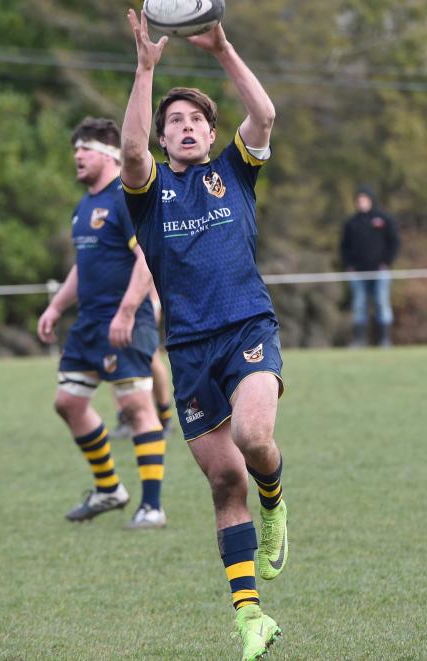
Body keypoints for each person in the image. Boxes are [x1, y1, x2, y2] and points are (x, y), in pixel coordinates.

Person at [120, 11, 288, 659]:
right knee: (223, 482)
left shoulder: (234, 172)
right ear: (164, 140)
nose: (185, 127)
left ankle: (274, 498)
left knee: (253, 438)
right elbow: (130, 153)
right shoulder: (150, 190)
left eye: (196, 121)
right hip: (188, 350)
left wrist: (221, 50)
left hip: (247, 327)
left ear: (212, 134)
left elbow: (266, 115)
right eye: (175, 123)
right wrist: (145, 70)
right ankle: (250, 617)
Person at [37, 116, 167, 529]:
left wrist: (127, 311)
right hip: (90, 324)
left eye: (86, 148)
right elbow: (84, 265)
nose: (77, 155)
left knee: (136, 407)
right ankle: (110, 488)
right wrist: (56, 307)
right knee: (68, 403)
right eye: (76, 148)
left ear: (110, 155)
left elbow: (148, 256)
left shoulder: (124, 199)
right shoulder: (85, 205)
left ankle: (152, 507)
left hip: (124, 321)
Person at [111, 283, 174, 439]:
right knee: (115, 362)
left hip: (141, 308)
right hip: (112, 307)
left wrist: (155, 303)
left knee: (151, 359)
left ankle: (164, 415)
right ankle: (125, 419)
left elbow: (146, 263)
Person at [340, 185, 400, 348]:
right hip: (358, 272)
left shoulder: (384, 219)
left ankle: (384, 341)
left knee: (382, 303)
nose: (361, 203)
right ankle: (359, 340)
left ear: (371, 200)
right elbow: (344, 246)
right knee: (359, 305)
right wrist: (349, 265)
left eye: (364, 200)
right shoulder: (351, 223)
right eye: (358, 200)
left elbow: (394, 242)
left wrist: (386, 262)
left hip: (380, 272)